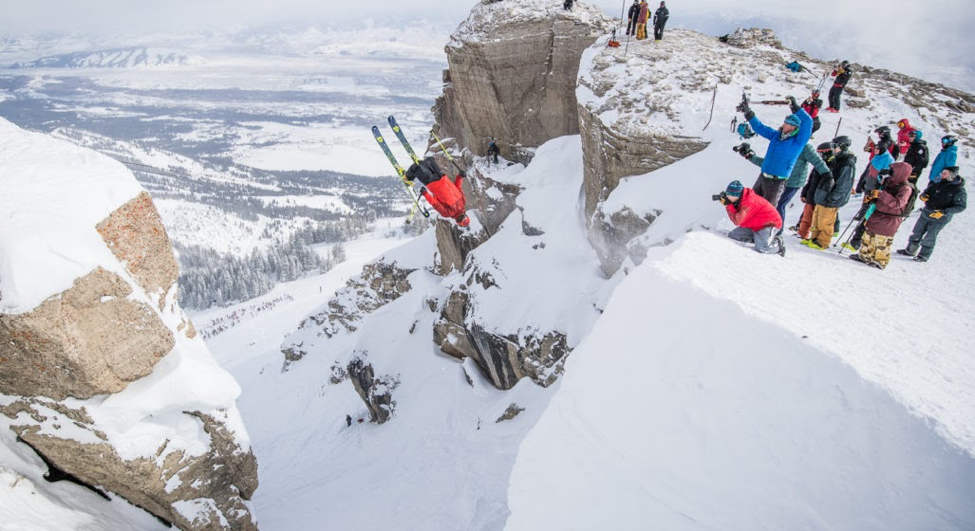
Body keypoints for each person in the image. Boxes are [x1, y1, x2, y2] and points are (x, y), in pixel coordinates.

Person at [739, 95, 813, 209]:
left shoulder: (798, 141)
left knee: (767, 210)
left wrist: (795, 107)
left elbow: (808, 121)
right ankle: (749, 227)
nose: (783, 125)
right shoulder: (776, 136)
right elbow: (760, 128)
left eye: (787, 123)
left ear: (794, 127)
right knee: (751, 205)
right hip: (763, 176)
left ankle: (765, 227)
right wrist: (749, 114)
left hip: (777, 181)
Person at [741, 140, 830, 223]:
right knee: (764, 204)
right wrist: (750, 156)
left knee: (778, 205)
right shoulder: (782, 144)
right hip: (776, 180)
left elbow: (818, 162)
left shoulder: (804, 147)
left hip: (792, 183)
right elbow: (769, 163)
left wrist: (827, 175)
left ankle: (777, 232)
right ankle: (756, 226)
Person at [849, 161, 913, 269]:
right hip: (878, 212)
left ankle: (880, 260)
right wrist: (873, 198)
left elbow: (898, 203)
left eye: (893, 171)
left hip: (890, 218)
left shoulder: (905, 188)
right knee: (868, 235)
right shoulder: (889, 182)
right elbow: (881, 196)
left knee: (881, 240)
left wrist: (881, 194)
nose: (891, 173)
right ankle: (865, 255)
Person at [898, 166, 966, 262]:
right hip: (927, 212)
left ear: (952, 176)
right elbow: (926, 192)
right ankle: (910, 250)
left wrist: (944, 212)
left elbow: (961, 206)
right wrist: (924, 196)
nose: (942, 175)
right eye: (942, 173)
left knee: (930, 236)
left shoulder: (958, 190)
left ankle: (923, 255)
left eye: (945, 173)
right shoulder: (937, 184)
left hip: (940, 217)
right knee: (917, 231)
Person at [802, 136, 856, 249]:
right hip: (823, 194)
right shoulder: (835, 159)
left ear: (842, 147)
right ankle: (814, 238)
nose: (832, 149)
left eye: (834, 146)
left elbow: (844, 183)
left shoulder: (847, 162)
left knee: (826, 222)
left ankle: (822, 242)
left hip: (831, 197)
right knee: (817, 219)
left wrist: (833, 197)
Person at [718, 180, 785, 255]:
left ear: (738, 195)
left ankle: (778, 244)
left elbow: (737, 221)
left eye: (731, 196)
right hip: (754, 224)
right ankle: (759, 239)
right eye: (728, 194)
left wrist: (729, 205)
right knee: (734, 236)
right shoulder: (740, 198)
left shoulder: (748, 202)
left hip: (770, 224)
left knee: (762, 248)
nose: (729, 197)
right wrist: (730, 203)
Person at [406, 156, 470, 227]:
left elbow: (435, 203)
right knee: (429, 160)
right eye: (465, 217)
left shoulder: (448, 213)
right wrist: (460, 177)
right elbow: (458, 187)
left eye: (462, 219)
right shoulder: (463, 201)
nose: (462, 217)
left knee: (416, 168)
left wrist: (426, 194)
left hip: (432, 183)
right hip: (442, 177)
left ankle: (407, 177)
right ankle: (420, 164)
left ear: (458, 221)